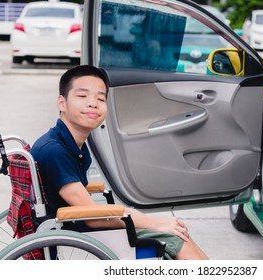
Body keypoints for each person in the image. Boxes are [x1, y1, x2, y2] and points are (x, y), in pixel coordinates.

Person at [30, 65, 208, 260]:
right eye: (82, 96)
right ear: (62, 103)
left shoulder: (70, 143)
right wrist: (152, 222)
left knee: (179, 235)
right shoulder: (54, 150)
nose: (93, 103)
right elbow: (94, 219)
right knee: (176, 238)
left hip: (77, 231)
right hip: (76, 240)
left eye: (100, 98)